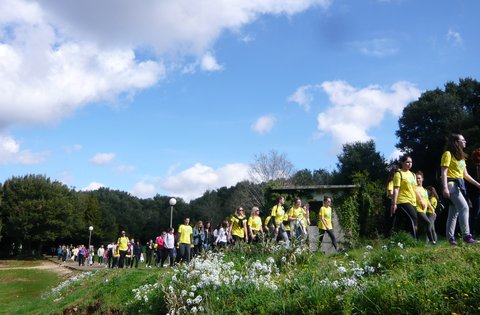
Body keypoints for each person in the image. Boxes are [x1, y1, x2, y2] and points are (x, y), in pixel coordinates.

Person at [441, 134, 480, 245]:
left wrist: (477, 184)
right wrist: (445, 188)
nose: (465, 142)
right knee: (464, 208)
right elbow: (443, 172)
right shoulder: (448, 154)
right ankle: (467, 236)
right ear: (456, 142)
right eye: (463, 140)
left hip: (460, 185)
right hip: (451, 184)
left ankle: (450, 239)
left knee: (453, 212)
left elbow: (465, 175)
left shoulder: (462, 158)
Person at [391, 155, 425, 239]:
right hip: (403, 201)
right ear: (402, 163)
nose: (409, 164)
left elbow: (415, 189)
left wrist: (421, 200)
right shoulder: (399, 174)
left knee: (401, 222)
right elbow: (396, 189)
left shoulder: (413, 175)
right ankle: (415, 240)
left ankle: (399, 239)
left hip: (413, 201)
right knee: (414, 218)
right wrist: (394, 204)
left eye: (411, 162)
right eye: (407, 162)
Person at [415, 172, 436, 244]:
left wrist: (432, 209)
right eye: (416, 178)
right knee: (428, 222)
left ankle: (415, 241)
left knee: (420, 228)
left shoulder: (424, 190)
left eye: (419, 178)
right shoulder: (415, 188)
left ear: (422, 179)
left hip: (423, 211)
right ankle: (432, 241)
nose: (418, 180)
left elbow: (427, 201)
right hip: (418, 209)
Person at [384, 165, 399, 236]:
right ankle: (388, 236)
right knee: (391, 219)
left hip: (394, 201)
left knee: (394, 219)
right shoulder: (391, 182)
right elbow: (390, 193)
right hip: (391, 202)